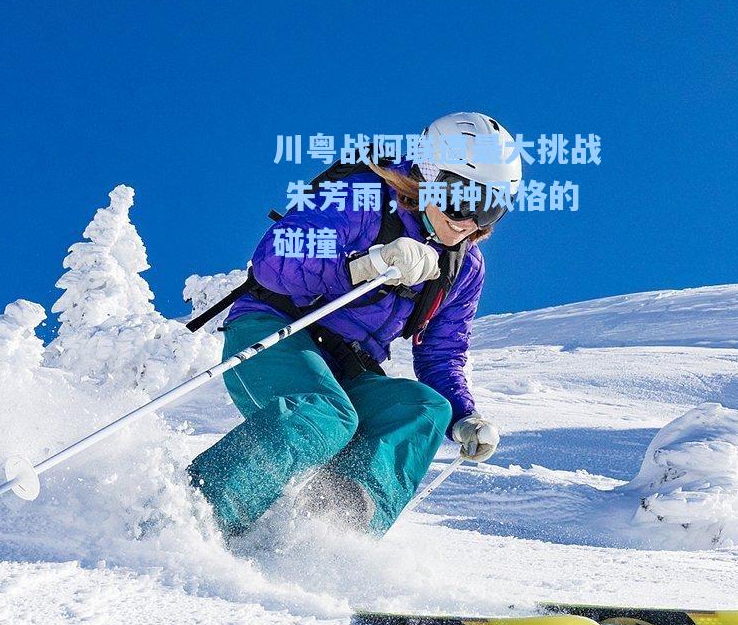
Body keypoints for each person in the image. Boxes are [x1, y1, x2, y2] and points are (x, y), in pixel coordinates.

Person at [187, 111, 519, 537]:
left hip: (346, 367)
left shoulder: (463, 267)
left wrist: (464, 414)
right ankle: (195, 516)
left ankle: (329, 534)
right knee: (324, 413)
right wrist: (365, 265)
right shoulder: (362, 197)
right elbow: (273, 260)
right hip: (277, 330)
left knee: (425, 409)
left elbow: (441, 352)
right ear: (429, 174)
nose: (469, 221)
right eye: (462, 199)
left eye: (490, 209)